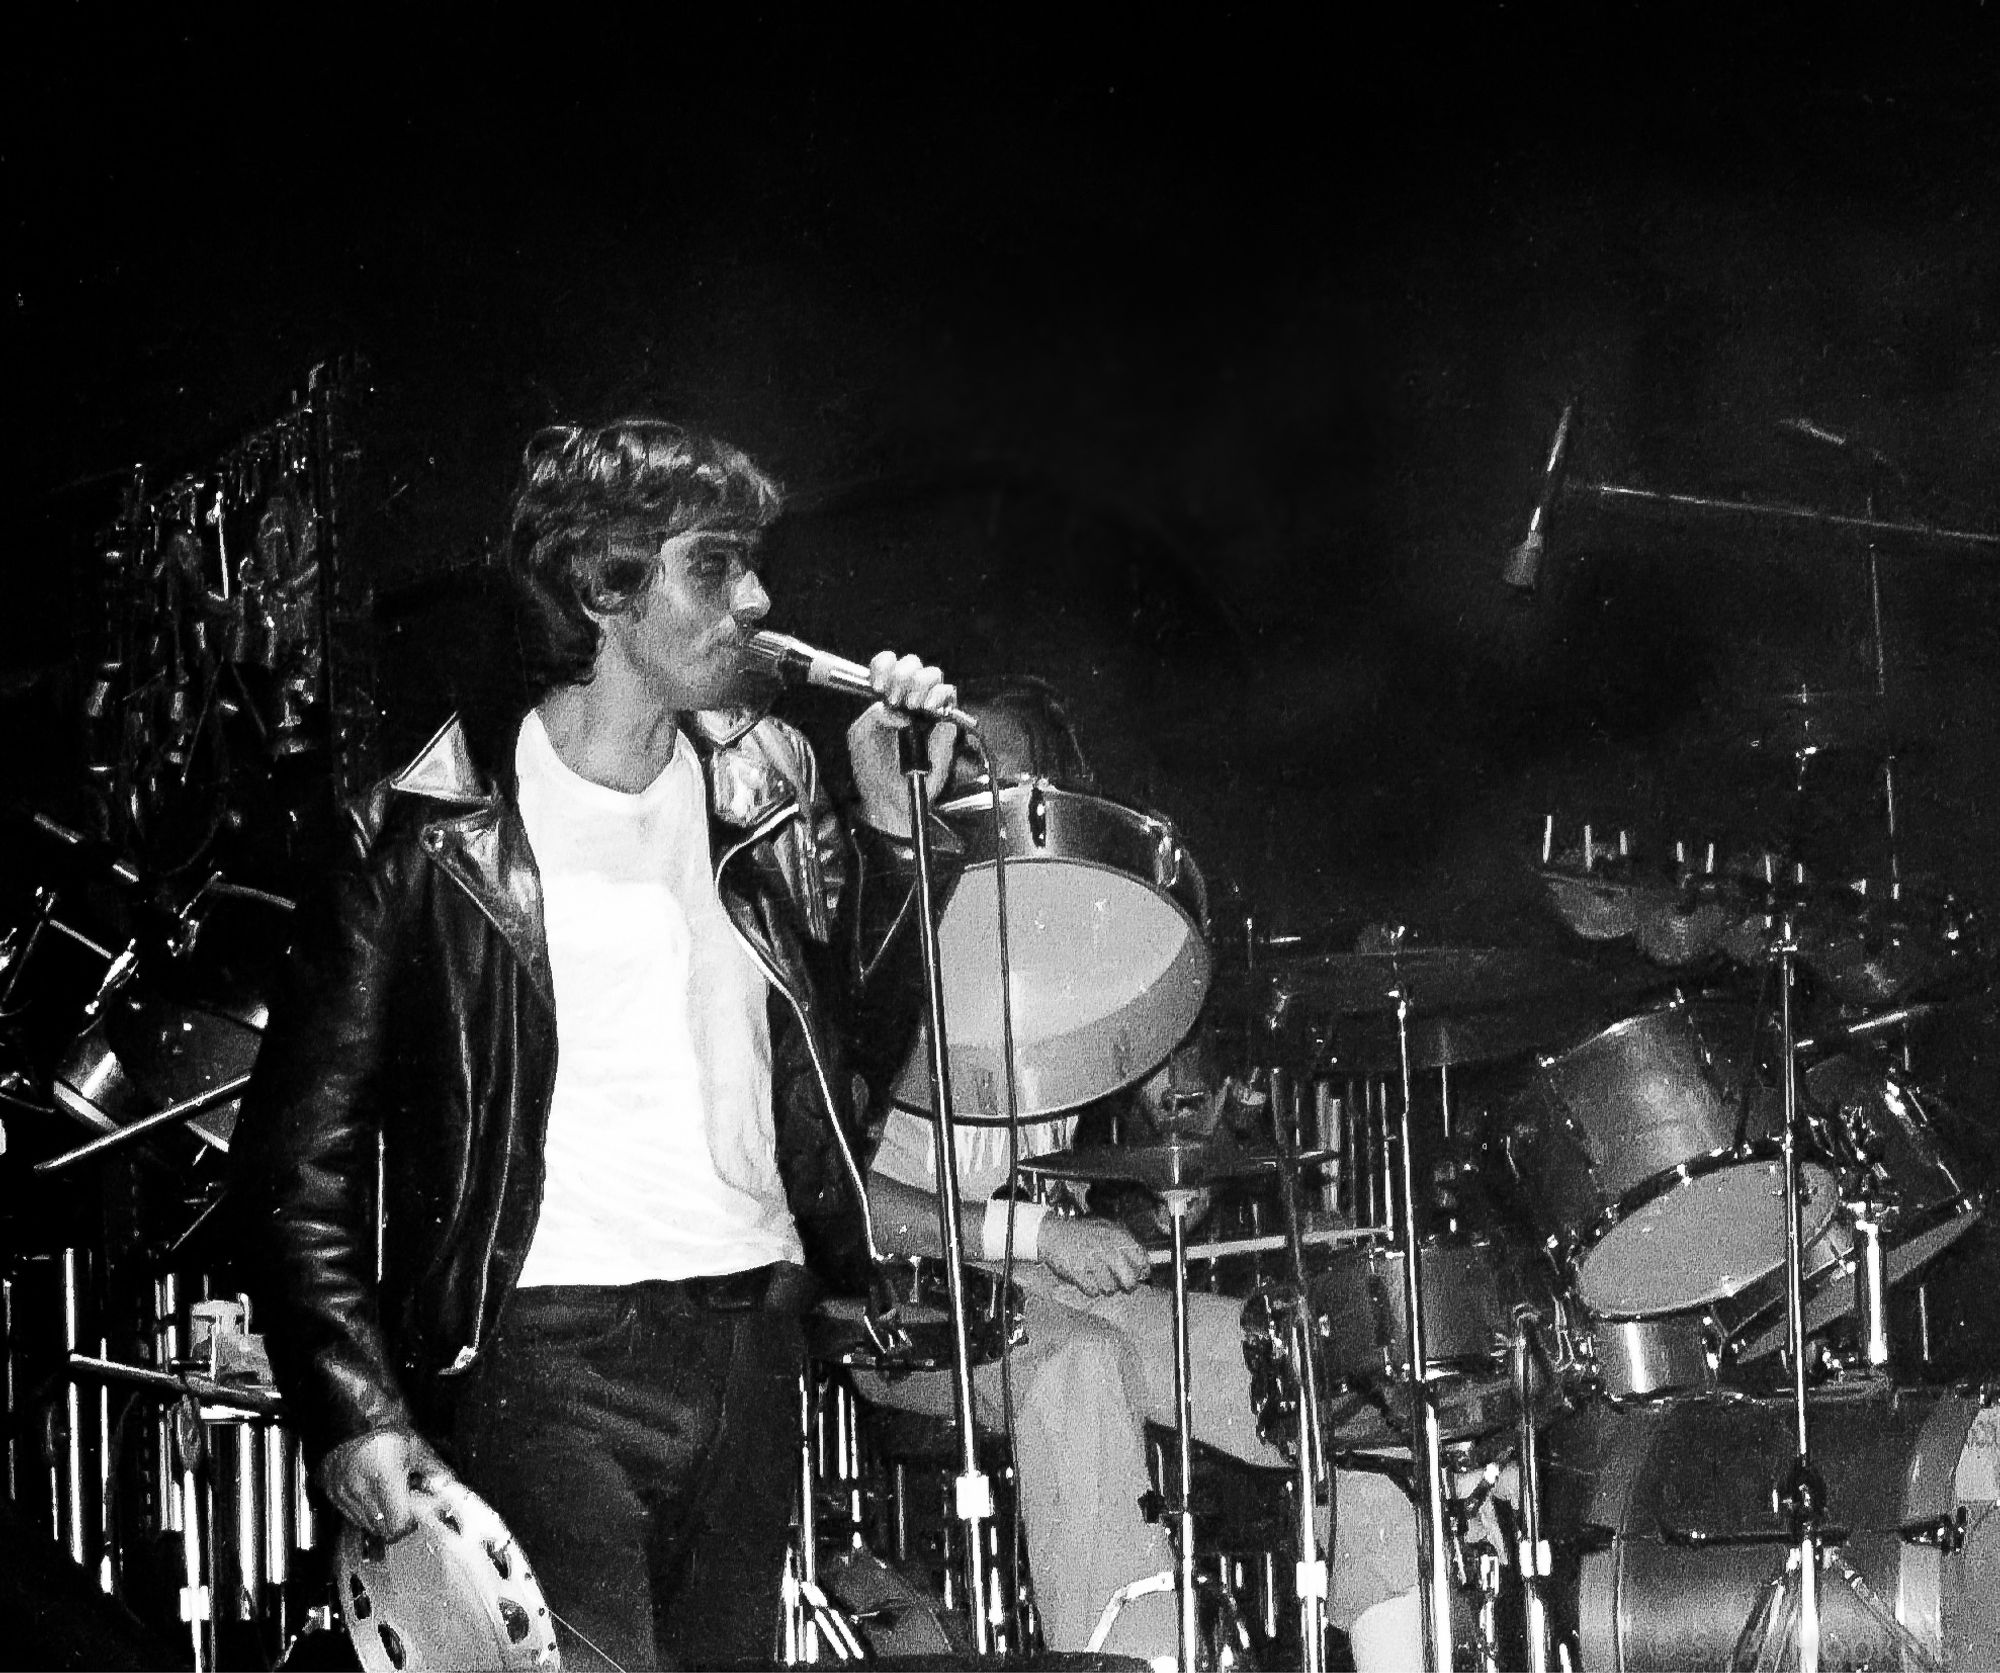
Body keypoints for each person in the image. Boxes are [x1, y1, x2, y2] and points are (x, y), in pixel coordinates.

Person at [229, 418, 960, 1670]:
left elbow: (848, 1079)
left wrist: (896, 838)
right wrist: (354, 1403)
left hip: (748, 1334)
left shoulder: (762, 797)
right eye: (715, 564)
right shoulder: (428, 836)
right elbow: (301, 1150)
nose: (759, 598)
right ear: (602, 583)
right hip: (549, 1349)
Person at [857, 683, 1424, 1672]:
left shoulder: (1082, 962)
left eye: (1017, 782)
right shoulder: (878, 965)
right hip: (904, 1308)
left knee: (1315, 1375)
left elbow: (1184, 1109)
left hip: (1056, 1290)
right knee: (1077, 1361)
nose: (990, 806)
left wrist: (1197, 1136)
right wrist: (1033, 1235)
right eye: (964, 775)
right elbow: (846, 1202)